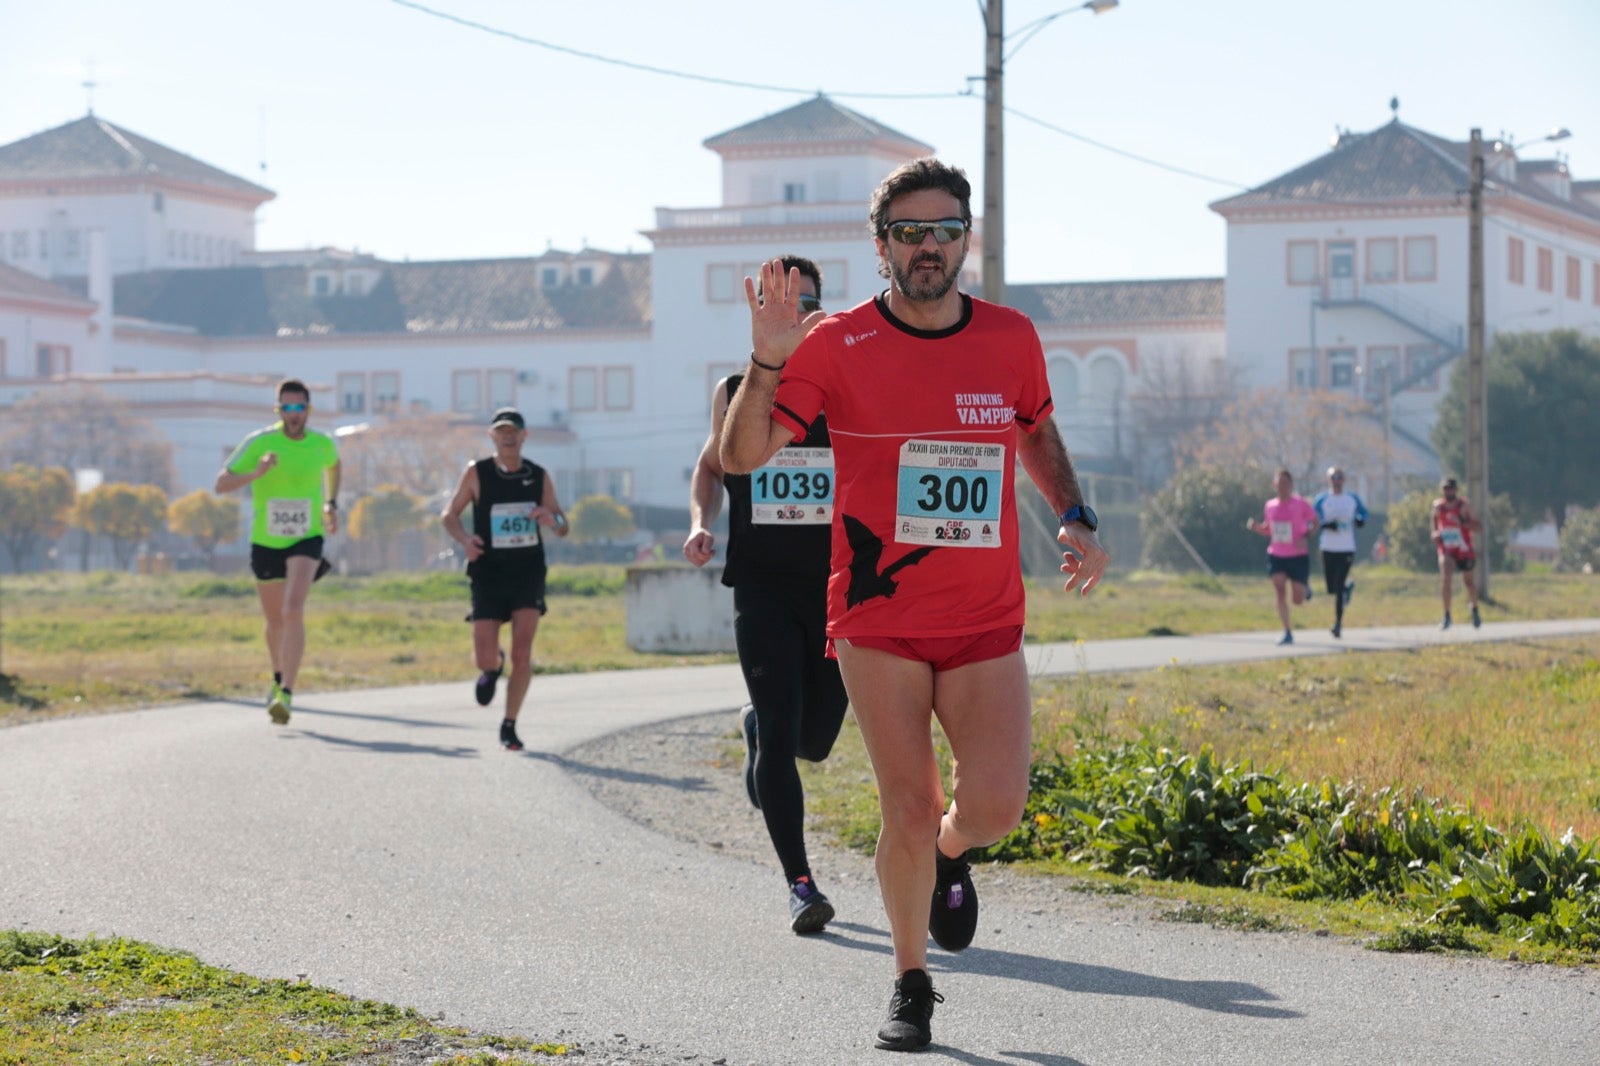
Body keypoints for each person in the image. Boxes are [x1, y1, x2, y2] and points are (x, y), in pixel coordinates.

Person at [720, 158, 1109, 1053]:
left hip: (982, 618)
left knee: (996, 807)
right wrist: (766, 359)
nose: (928, 246)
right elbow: (742, 457)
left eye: (945, 230)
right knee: (906, 799)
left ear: (967, 237)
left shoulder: (1010, 337)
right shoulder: (833, 345)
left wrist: (1076, 514)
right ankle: (909, 981)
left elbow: (1037, 429)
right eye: (909, 232)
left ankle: (953, 854)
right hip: (876, 615)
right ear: (881, 244)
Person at [684, 255, 849, 937]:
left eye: (802, 299)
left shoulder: (846, 389)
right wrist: (700, 523)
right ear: (760, 310)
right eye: (777, 299)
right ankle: (800, 884)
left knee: (814, 741)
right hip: (760, 586)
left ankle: (757, 731)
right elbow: (709, 466)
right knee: (782, 733)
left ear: (819, 310)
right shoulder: (735, 390)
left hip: (837, 591)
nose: (790, 310)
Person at [441, 407, 569, 751]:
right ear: (492, 437)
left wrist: (549, 518)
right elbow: (449, 515)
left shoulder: (538, 475)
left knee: (523, 652)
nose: (508, 436)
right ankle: (492, 666)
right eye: (501, 431)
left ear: (524, 436)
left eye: (514, 431)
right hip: (488, 571)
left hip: (527, 571)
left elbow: (562, 524)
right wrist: (465, 541)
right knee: (484, 654)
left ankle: (510, 724)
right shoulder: (477, 473)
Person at [215, 378, 340, 725]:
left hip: (307, 537)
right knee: (274, 622)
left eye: (300, 407)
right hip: (266, 541)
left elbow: (334, 464)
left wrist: (331, 503)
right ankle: (277, 675)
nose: (293, 413)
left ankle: (287, 691)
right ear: (278, 410)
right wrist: (257, 472)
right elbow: (221, 484)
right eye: (287, 407)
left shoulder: (321, 444)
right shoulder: (260, 443)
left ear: (308, 410)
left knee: (292, 609)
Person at [1246, 468, 1318, 646]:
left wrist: (1306, 537)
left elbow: (1315, 522)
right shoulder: (1270, 505)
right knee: (1279, 590)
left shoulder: (1300, 503)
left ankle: (1305, 589)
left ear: (1291, 485)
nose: (1282, 486)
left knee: (1297, 600)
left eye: (1285, 483)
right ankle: (1287, 631)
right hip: (1277, 554)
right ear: (1274, 485)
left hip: (1298, 556)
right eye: (1279, 483)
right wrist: (1256, 527)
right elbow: (1269, 529)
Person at [1311, 466, 1368, 639]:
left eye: (1339, 477)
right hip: (1328, 547)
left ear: (1344, 480)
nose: (1336, 481)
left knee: (1339, 583)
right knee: (1331, 587)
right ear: (1328, 480)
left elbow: (1364, 514)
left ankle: (1337, 624)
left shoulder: (1351, 498)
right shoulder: (1322, 499)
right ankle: (1346, 590)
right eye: (1333, 478)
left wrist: (1359, 521)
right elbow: (1313, 520)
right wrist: (1326, 525)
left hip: (1346, 548)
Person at [1430, 477, 1481, 630]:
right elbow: (1433, 521)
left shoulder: (1465, 506)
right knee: (1445, 578)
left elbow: (1479, 527)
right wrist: (1434, 533)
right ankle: (1446, 615)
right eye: (1445, 489)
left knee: (1469, 582)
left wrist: (1462, 523)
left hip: (1464, 548)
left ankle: (1474, 609)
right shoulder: (1438, 506)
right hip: (1447, 548)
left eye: (1451, 488)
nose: (1448, 491)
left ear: (1456, 490)